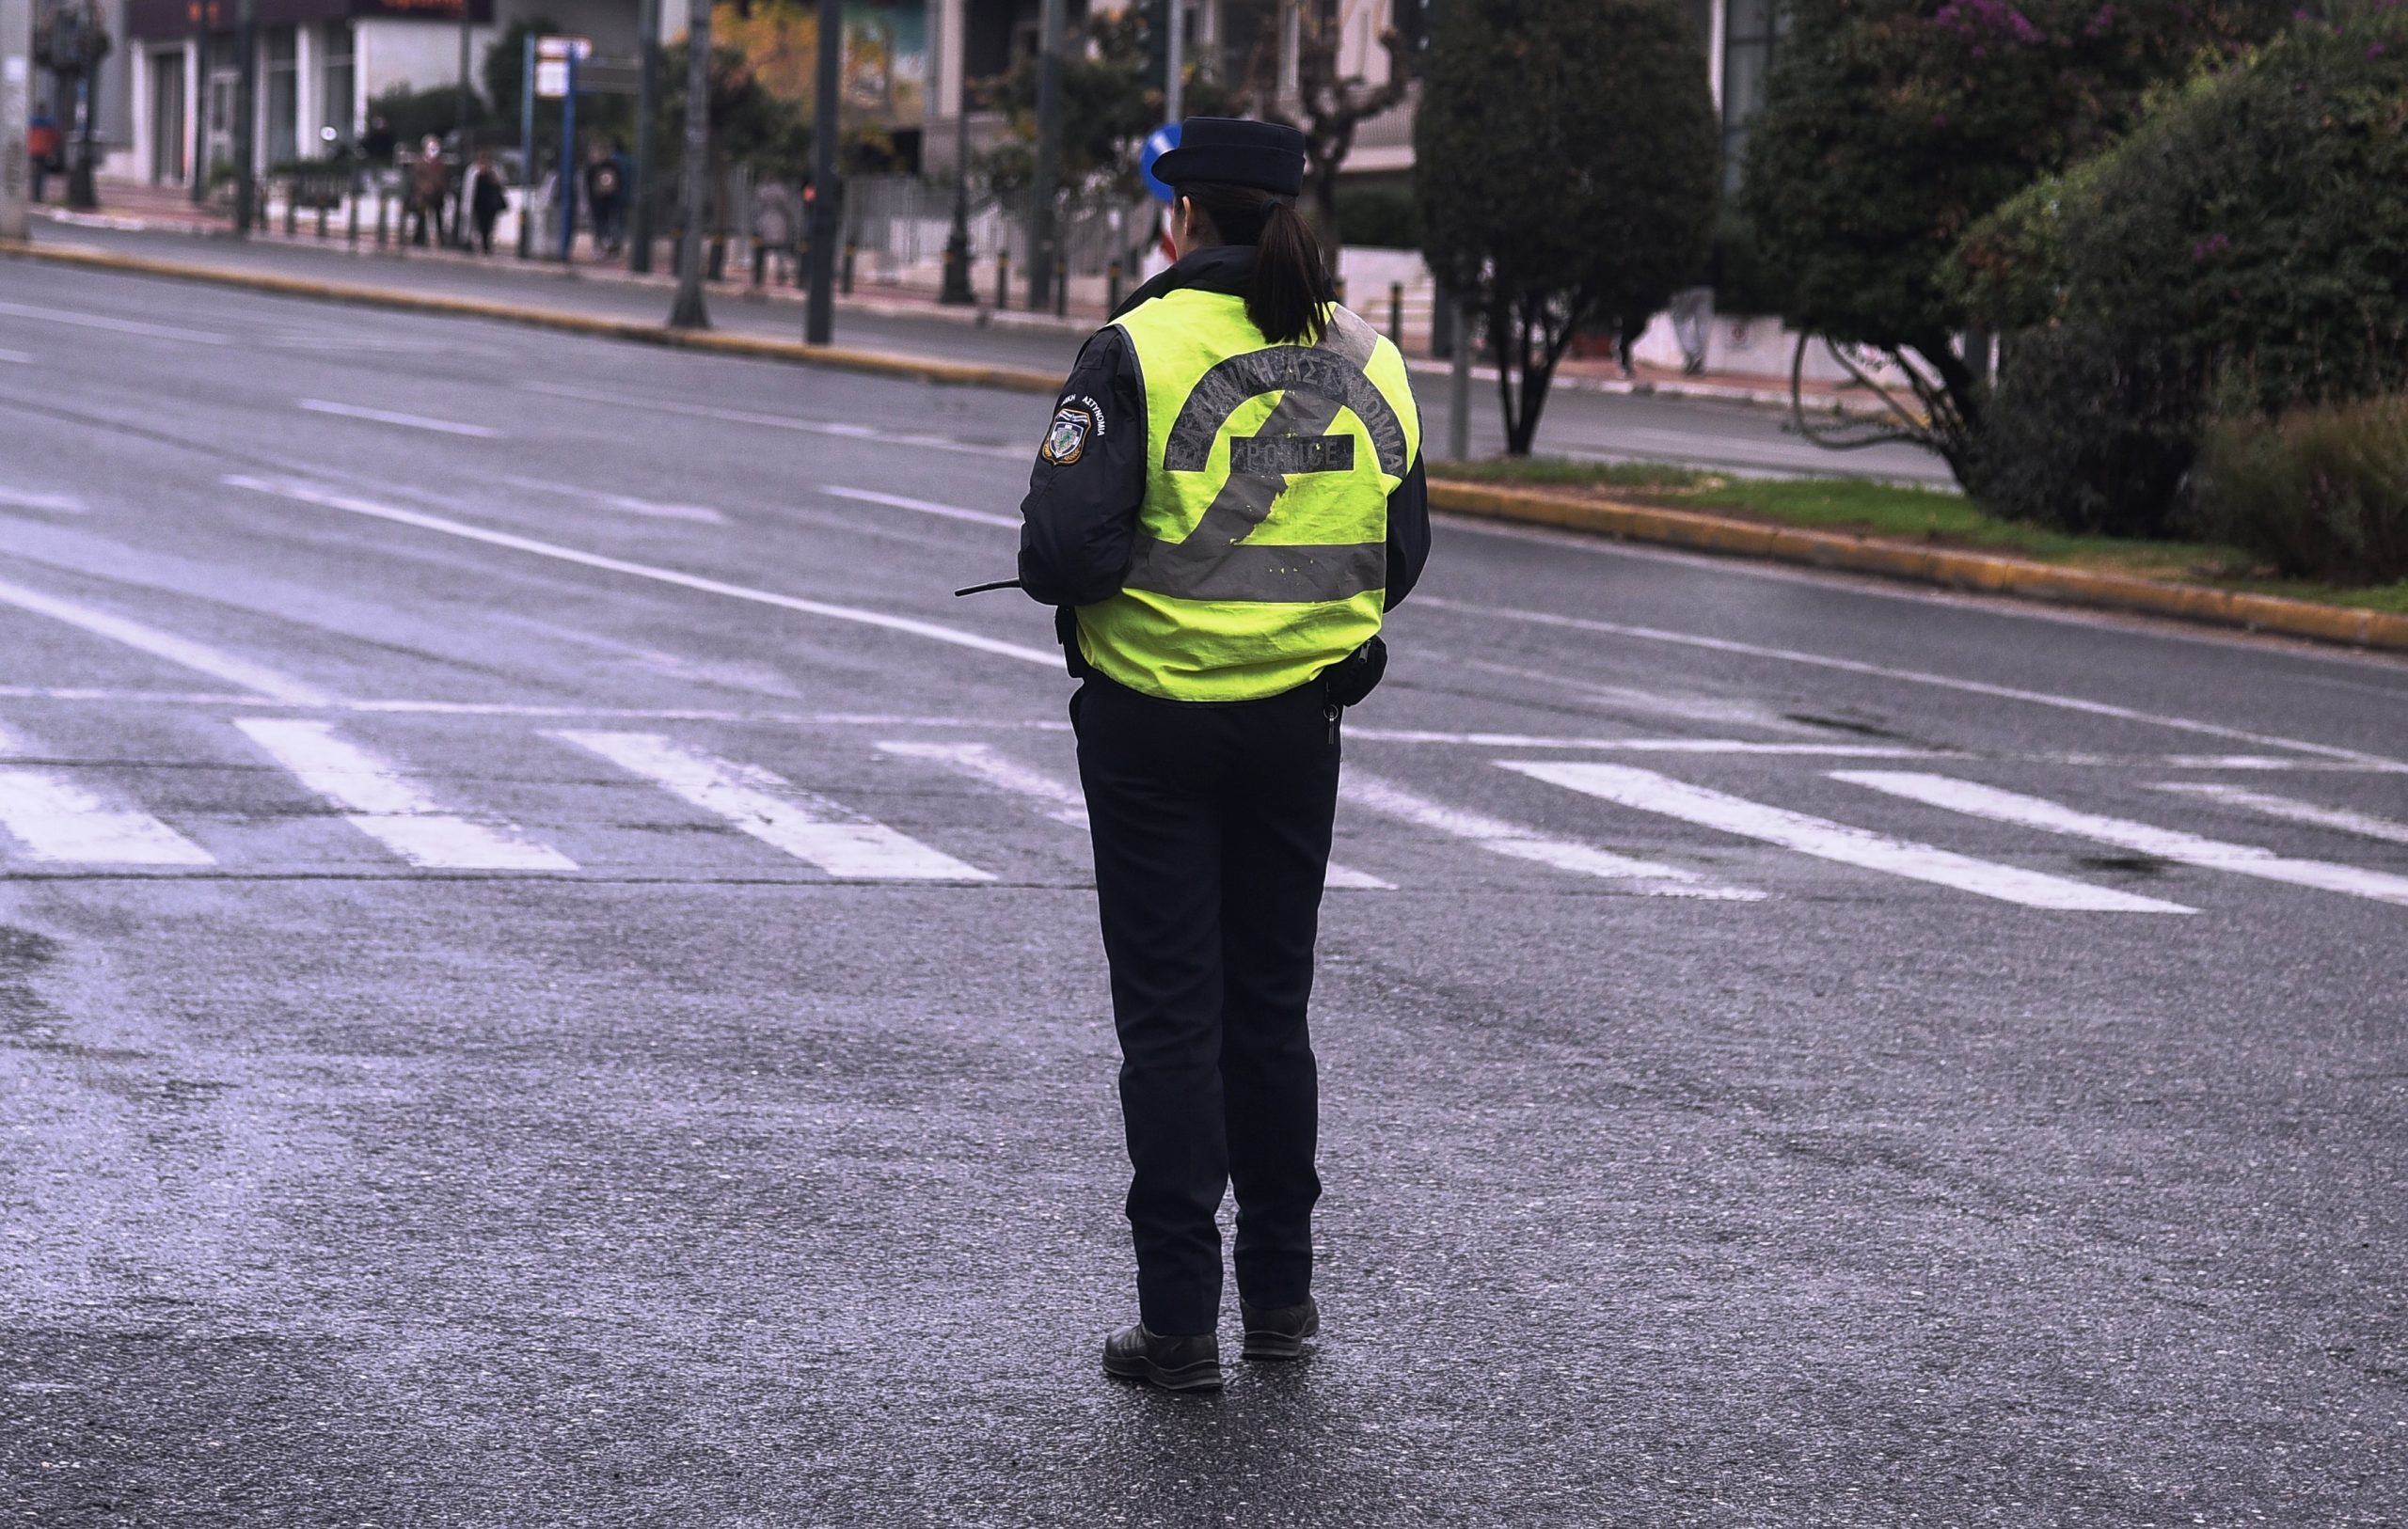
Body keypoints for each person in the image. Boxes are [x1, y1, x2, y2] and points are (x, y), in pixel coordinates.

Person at [1015, 117, 1429, 1395]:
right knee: (1270, 1012)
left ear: (1181, 218)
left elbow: (1057, 559)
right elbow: (1396, 554)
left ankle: (1179, 1322)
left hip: (1150, 727)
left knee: (1172, 1020)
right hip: (1299, 732)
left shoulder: (1137, 347)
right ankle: (1285, 1305)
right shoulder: (1371, 355)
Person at [584, 140, 626, 257]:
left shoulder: (599, 166)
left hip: (607, 201)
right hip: (600, 202)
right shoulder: (595, 167)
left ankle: (609, 248)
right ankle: (604, 248)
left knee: (608, 225)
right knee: (601, 225)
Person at [407, 135, 449, 248]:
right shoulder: (419, 162)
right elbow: (416, 179)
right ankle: (419, 238)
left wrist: (441, 188)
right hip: (423, 195)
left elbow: (443, 178)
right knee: (421, 217)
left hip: (437, 195)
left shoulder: (440, 164)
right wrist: (425, 187)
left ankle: (441, 239)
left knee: (438, 217)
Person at [465, 150, 508, 255]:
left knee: (489, 226)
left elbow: (502, 182)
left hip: (490, 204)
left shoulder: (494, 170)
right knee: (480, 225)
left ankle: (487, 245)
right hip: (478, 204)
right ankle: (483, 245)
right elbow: (468, 189)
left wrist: (493, 176)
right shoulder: (473, 170)